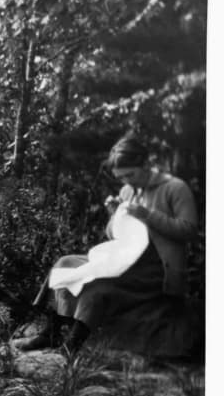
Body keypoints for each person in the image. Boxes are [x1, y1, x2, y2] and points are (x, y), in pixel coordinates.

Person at [16, 133, 197, 354]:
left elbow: (188, 230)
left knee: (95, 285)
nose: (126, 182)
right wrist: (114, 215)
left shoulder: (175, 188)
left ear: (145, 164)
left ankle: (71, 345)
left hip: (155, 270)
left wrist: (148, 215)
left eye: (130, 174)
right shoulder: (127, 191)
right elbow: (116, 235)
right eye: (121, 178)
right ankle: (51, 332)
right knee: (65, 264)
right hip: (124, 261)